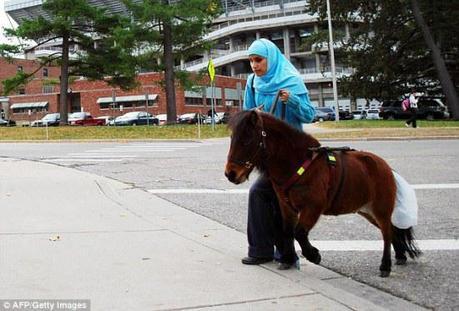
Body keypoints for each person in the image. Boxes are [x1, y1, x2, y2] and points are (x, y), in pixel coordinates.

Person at [241, 38, 315, 268]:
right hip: (271, 155)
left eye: (258, 60)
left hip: (294, 154)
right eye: (251, 60)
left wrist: (291, 101)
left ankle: (286, 254)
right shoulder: (253, 82)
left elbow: (309, 115)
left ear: (270, 59)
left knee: (272, 196)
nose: (254, 65)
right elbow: (246, 115)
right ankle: (261, 250)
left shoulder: (290, 80)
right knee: (260, 194)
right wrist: (253, 114)